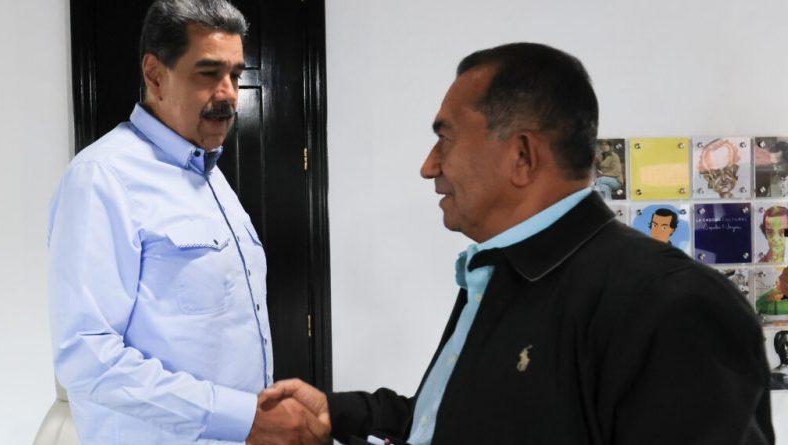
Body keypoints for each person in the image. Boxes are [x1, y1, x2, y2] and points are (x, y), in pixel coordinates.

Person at [263, 43, 774, 444]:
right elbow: (460, 421)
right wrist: (338, 413)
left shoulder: (670, 304)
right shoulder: (501, 275)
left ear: (522, 156)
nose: (429, 166)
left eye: (445, 138)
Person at [46, 1, 328, 444]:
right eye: (208, 73)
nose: (229, 93)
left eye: (235, 75)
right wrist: (243, 418)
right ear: (155, 75)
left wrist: (255, 418)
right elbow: (86, 356)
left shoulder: (211, 176)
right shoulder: (102, 178)